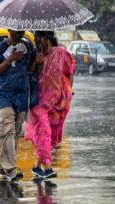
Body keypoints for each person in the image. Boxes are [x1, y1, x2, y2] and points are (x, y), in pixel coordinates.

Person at [25, 31, 74, 179]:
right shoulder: (34, 55)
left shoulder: (61, 53)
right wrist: (36, 63)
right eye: (36, 39)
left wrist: (68, 91)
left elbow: (69, 71)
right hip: (38, 102)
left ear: (48, 39)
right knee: (43, 131)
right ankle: (47, 167)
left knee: (48, 136)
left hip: (57, 102)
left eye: (40, 39)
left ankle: (36, 166)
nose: (38, 42)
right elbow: (28, 75)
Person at [0, 30, 31, 181]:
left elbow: (31, 70)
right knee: (5, 130)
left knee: (14, 132)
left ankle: (3, 166)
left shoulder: (28, 46)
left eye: (20, 31)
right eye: (15, 31)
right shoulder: (1, 47)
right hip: (3, 94)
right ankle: (11, 169)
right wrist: (10, 59)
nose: (18, 34)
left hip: (21, 95)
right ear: (9, 30)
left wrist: (39, 62)